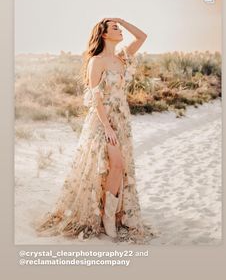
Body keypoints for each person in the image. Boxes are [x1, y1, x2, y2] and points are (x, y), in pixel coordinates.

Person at [33, 18, 159, 244]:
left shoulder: (122, 58)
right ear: (102, 34)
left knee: (118, 168)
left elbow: (142, 37)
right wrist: (107, 127)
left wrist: (121, 20)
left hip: (122, 120)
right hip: (102, 121)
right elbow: (95, 99)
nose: (119, 30)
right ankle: (107, 217)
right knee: (115, 165)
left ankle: (110, 213)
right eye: (114, 28)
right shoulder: (96, 61)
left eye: (119, 28)